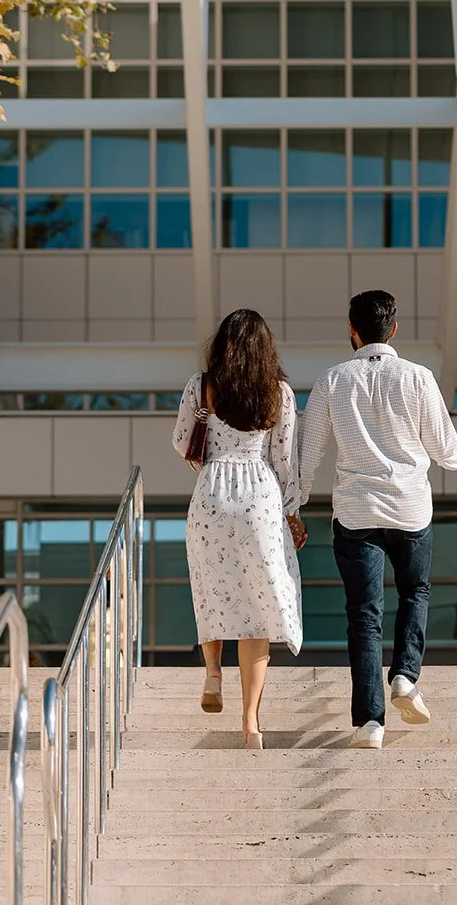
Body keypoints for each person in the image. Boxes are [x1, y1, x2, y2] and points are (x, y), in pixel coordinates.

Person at [297, 290, 457, 749]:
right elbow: (444, 450)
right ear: (395, 329)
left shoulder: (331, 381)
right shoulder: (419, 378)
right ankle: (404, 675)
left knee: (364, 616)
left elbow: (308, 453)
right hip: (409, 509)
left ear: (351, 329)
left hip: (356, 510)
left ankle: (370, 724)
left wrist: (294, 506)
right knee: (415, 592)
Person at [171, 308, 309, 750]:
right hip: (259, 498)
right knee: (257, 609)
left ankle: (213, 674)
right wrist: (292, 511)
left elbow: (181, 442)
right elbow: (286, 461)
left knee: (211, 588)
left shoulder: (201, 385)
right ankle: (251, 726)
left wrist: (207, 464)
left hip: (211, 493)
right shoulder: (279, 393)